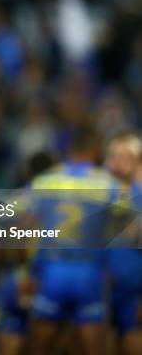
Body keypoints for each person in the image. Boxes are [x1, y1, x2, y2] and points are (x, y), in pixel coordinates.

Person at [28, 128, 120, 355]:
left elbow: (26, 225)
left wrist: (30, 270)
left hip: (53, 269)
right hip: (89, 270)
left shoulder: (46, 180)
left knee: (40, 346)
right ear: (96, 151)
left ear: (69, 151)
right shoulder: (108, 184)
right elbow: (122, 228)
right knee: (92, 347)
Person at [104, 132, 142, 355]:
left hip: (134, 292)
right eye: (114, 155)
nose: (117, 161)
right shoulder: (101, 196)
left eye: (124, 155)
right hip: (103, 288)